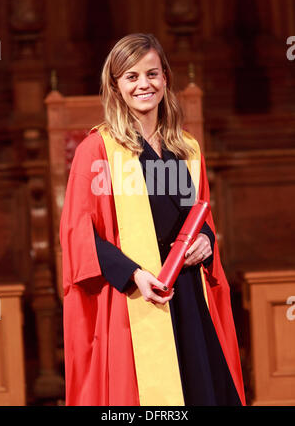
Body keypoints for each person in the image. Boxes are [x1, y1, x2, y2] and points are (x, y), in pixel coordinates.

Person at [60, 33, 246, 406]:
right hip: (136, 295)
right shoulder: (98, 150)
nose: (144, 84)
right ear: (115, 86)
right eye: (131, 76)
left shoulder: (185, 148)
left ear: (166, 79)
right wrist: (133, 275)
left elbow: (198, 213)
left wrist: (207, 240)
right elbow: (80, 234)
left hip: (189, 292)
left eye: (152, 73)